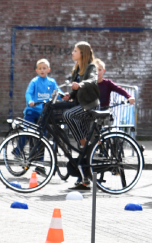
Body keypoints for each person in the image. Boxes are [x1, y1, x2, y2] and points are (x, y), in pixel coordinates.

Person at [62, 42, 100, 190]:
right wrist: (69, 95)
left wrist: (81, 85)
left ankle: (84, 143)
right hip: (80, 106)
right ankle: (84, 180)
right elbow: (76, 90)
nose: (72, 52)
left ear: (82, 53)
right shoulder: (76, 69)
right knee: (81, 146)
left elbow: (92, 80)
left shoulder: (91, 67)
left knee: (68, 115)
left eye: (75, 50)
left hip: (90, 106)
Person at [24, 59, 58, 124]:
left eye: (44, 68)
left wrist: (63, 96)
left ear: (48, 70)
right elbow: (28, 93)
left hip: (45, 112)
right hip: (33, 110)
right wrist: (30, 101)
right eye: (40, 68)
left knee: (42, 131)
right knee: (28, 129)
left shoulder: (52, 82)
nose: (42, 70)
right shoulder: (34, 81)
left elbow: (57, 92)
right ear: (36, 70)